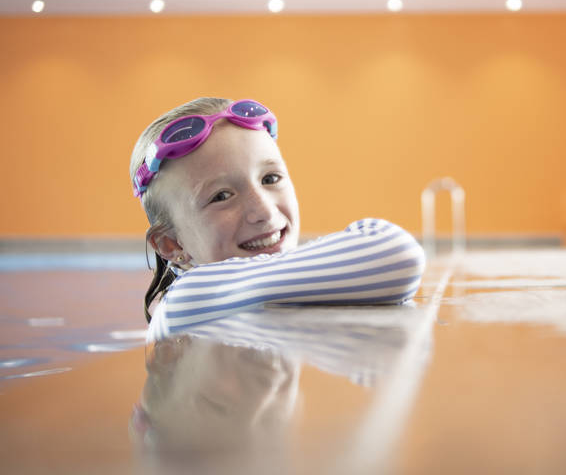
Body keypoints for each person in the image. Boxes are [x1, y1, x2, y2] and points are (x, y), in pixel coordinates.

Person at [129, 97, 425, 340]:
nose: (265, 212)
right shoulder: (191, 298)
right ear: (171, 244)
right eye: (221, 196)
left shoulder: (250, 294)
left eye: (270, 178)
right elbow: (397, 254)